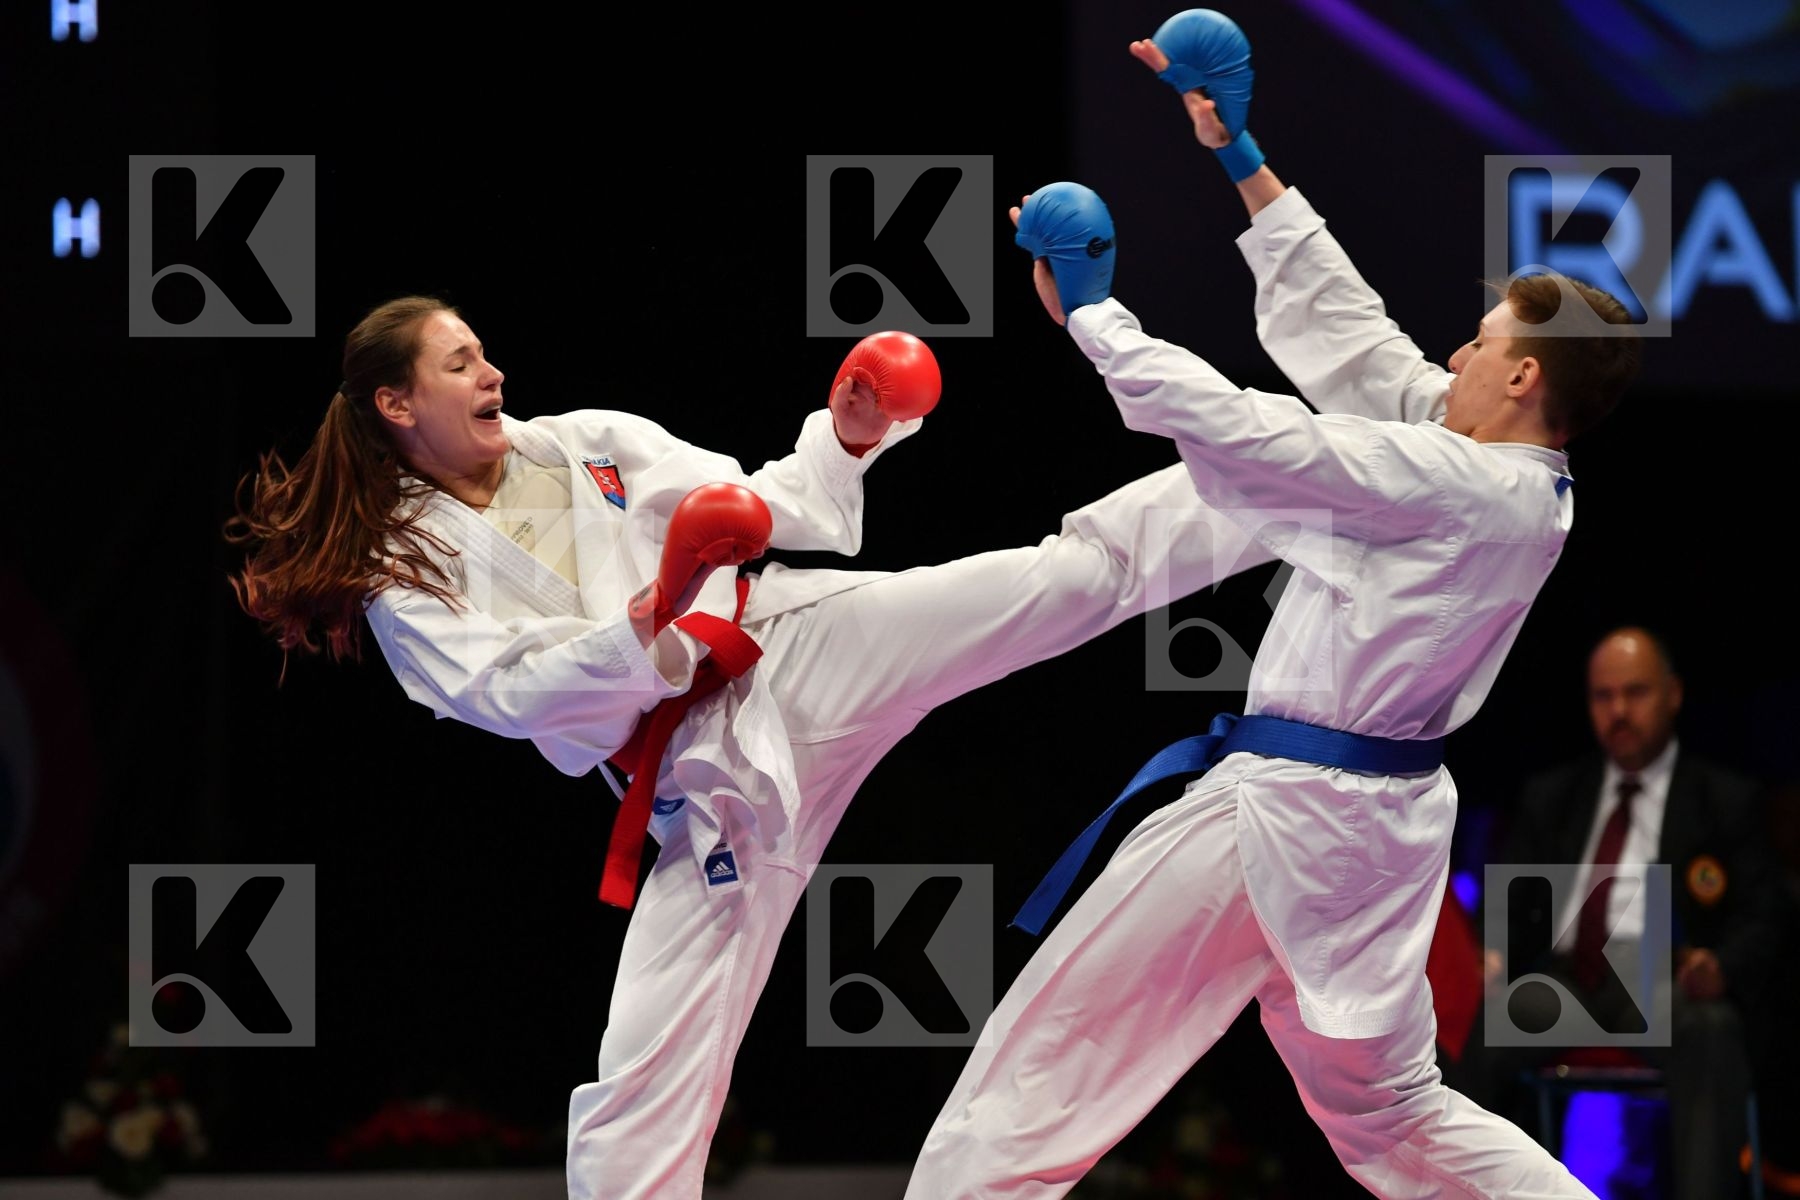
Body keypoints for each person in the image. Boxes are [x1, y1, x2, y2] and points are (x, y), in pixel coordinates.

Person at [224, 296, 1284, 1199]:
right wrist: (646, 621)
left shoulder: (592, 440)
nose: (493, 371)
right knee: (643, 1081)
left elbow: (776, 504)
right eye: (460, 364)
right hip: (702, 778)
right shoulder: (404, 578)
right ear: (396, 406)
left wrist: (849, 432)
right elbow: (505, 695)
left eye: (485, 351)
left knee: (1057, 582)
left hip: (793, 647)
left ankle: (1288, 477)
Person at [906, 11, 1642, 1198]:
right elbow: (1355, 339)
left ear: (1522, 375)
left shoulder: (1462, 483)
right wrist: (1239, 156)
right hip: (1378, 841)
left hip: (1283, 819)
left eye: (1480, 340)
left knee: (1035, 1076)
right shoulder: (1509, 479)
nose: (1451, 352)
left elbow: (1273, 439)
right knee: (1397, 1120)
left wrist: (1098, 320)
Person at [1453, 625, 1787, 1199]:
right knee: (1475, 1034)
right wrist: (1493, 952)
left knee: (1712, 1031)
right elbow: (1504, 900)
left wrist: (1722, 967)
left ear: (1673, 694)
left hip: (1661, 980)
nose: (1619, 711)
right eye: (1603, 697)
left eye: (1636, 693)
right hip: (1563, 985)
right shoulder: (1553, 794)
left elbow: (1765, 914)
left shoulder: (1723, 799)